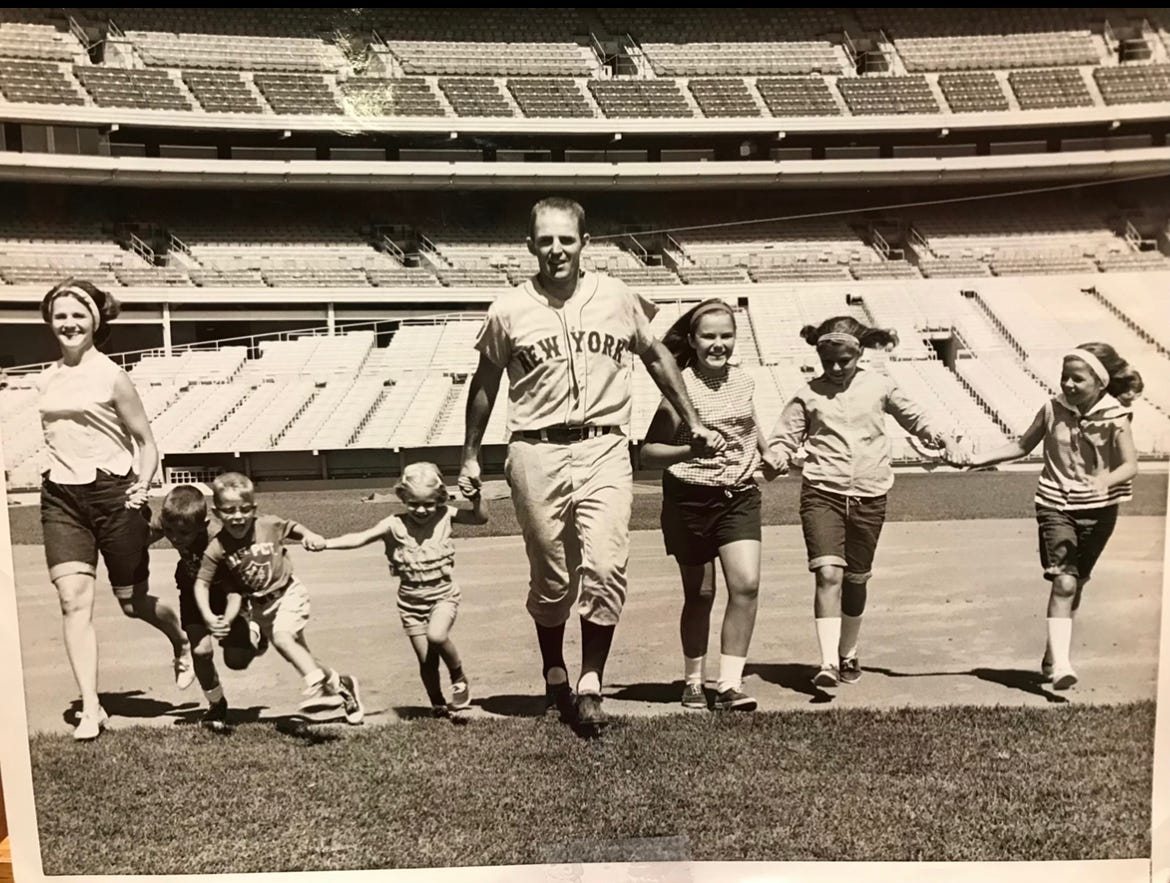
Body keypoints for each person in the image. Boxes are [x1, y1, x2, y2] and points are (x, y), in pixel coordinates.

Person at [459, 196, 725, 735]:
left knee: (605, 567)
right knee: (553, 579)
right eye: (546, 239)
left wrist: (690, 417)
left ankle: (590, 682)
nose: (556, 249)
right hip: (534, 450)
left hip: (605, 445)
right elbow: (485, 383)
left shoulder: (617, 296)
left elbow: (655, 355)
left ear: (585, 242)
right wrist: (468, 454)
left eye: (566, 238)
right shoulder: (508, 309)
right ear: (530, 244)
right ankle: (554, 667)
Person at [767, 316, 965, 690]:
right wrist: (777, 455)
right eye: (830, 363)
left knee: (856, 581)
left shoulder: (880, 386)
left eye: (845, 360)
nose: (838, 368)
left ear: (858, 353)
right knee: (828, 574)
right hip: (822, 492)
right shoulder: (808, 394)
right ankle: (826, 663)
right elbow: (784, 439)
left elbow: (916, 417)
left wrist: (944, 439)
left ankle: (847, 652)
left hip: (871, 496)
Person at [36, 278, 192, 741]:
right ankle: (91, 707)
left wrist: (143, 485)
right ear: (50, 322)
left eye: (78, 314)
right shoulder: (45, 377)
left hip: (115, 494)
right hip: (62, 497)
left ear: (95, 321)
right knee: (72, 601)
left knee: (131, 603)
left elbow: (147, 442)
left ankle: (181, 640)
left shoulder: (111, 375)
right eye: (60, 315)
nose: (68, 323)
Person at [965, 343, 1140, 689]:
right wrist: (979, 458)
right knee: (1064, 581)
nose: (1069, 385)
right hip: (1055, 505)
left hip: (1100, 512)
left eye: (1078, 379)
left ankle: (1051, 656)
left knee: (1077, 583)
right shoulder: (1051, 409)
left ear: (1100, 384)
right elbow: (1021, 445)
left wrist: (1104, 480)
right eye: (1065, 378)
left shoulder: (1115, 416)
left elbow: (1130, 465)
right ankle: (1061, 666)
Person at [640, 299, 784, 712]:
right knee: (701, 594)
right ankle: (692, 682)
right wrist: (690, 450)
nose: (718, 344)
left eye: (726, 336)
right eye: (709, 336)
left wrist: (768, 451)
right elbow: (648, 455)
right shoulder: (678, 389)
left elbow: (748, 423)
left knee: (747, 585)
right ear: (692, 340)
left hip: (738, 496)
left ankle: (729, 685)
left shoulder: (745, 381)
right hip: (689, 500)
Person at [309, 462, 487, 720]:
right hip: (410, 604)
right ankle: (437, 703)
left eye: (429, 504)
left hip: (443, 596)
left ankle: (458, 676)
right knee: (426, 660)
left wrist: (477, 497)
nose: (422, 510)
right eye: (414, 503)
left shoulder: (446, 515)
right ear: (403, 498)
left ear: (439, 499)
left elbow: (481, 518)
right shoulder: (393, 524)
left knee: (437, 637)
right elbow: (359, 538)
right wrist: (325, 543)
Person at [194, 472, 364, 725]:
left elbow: (292, 527)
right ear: (217, 513)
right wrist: (209, 616)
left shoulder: (267, 525)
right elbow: (202, 583)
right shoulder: (217, 547)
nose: (238, 516)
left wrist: (310, 535)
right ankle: (342, 684)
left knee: (285, 639)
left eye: (244, 509)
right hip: (261, 608)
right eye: (229, 511)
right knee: (300, 654)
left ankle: (317, 687)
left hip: (288, 594)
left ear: (254, 508)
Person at [151, 485, 267, 732]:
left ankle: (257, 631)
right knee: (201, 653)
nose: (174, 538)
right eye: (169, 530)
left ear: (203, 525)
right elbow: (143, 536)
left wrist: (228, 616)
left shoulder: (222, 541)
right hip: (193, 591)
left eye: (183, 533)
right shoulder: (172, 522)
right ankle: (216, 704)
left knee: (239, 653)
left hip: (228, 592)